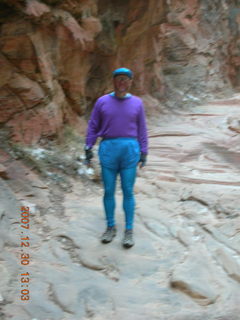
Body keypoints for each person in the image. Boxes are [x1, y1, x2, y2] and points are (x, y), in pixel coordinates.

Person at [84, 67, 148, 248]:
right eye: (119, 79)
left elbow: (142, 129)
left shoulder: (137, 103)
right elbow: (93, 126)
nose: (122, 83)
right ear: (113, 81)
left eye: (126, 79)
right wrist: (88, 147)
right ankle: (110, 227)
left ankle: (128, 230)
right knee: (108, 190)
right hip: (108, 148)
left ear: (130, 82)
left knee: (128, 190)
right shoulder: (102, 102)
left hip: (130, 149)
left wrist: (144, 151)